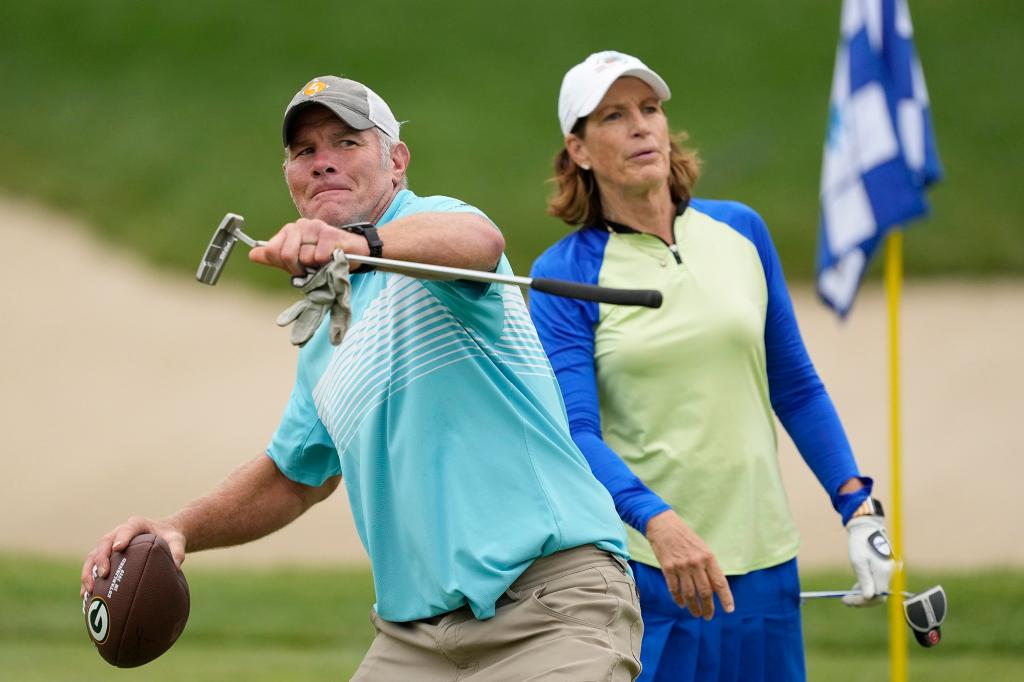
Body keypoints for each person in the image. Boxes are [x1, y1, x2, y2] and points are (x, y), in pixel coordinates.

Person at [81, 74, 644, 681]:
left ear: (396, 161)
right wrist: (177, 528)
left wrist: (357, 240)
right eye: (305, 152)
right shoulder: (327, 324)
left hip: (549, 606)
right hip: (415, 642)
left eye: (346, 142)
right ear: (291, 178)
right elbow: (293, 477)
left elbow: (480, 242)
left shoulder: (431, 227)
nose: (323, 163)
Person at [529, 51, 895, 682]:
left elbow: (796, 386)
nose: (641, 126)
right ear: (580, 150)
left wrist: (857, 507)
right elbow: (574, 432)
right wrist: (659, 521)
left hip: (766, 564)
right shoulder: (565, 274)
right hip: (651, 569)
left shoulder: (741, 232)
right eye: (614, 116)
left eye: (650, 109)